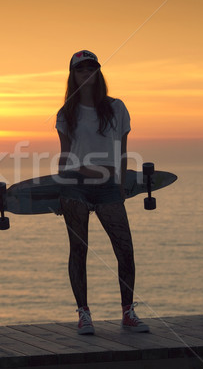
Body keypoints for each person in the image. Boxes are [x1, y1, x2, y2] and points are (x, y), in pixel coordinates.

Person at [55, 50, 149, 335]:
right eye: (81, 69)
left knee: (125, 250)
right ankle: (84, 314)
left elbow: (122, 150)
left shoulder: (116, 107)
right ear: (72, 75)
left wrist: (119, 185)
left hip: (108, 186)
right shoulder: (66, 114)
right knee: (78, 250)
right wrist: (60, 189)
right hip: (76, 186)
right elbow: (66, 155)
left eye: (92, 68)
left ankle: (128, 312)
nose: (87, 72)